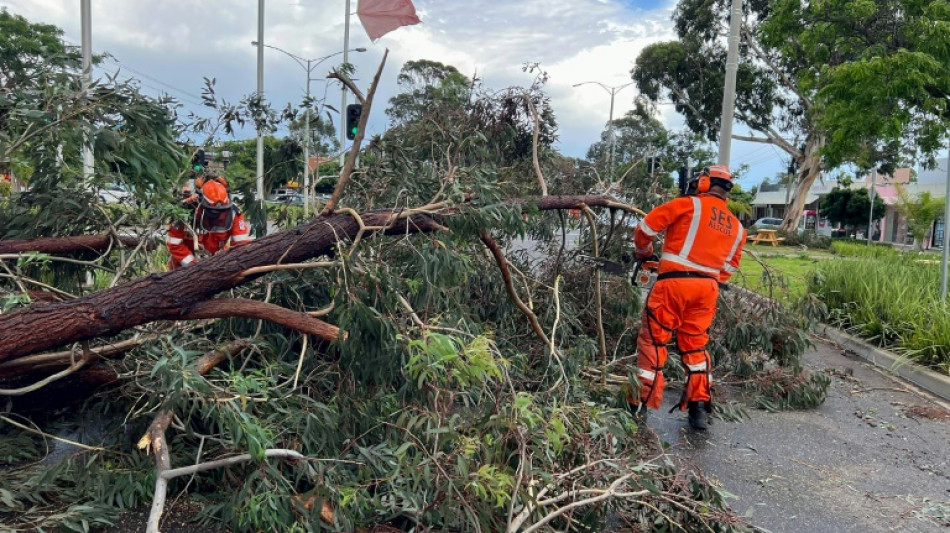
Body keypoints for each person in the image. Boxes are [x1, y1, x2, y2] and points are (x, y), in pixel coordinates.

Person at [626, 165, 745, 430]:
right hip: (707, 291)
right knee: (695, 345)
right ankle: (699, 409)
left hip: (673, 287)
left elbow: (644, 229)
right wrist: (702, 275)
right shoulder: (737, 227)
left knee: (654, 341)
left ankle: (638, 407)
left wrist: (645, 255)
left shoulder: (686, 205)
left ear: (702, 183)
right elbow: (729, 269)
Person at [166, 177, 252, 269]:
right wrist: (192, 266)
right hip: (183, 268)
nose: (219, 216)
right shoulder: (186, 211)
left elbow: (241, 245)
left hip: (215, 263)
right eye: (214, 212)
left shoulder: (234, 212)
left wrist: (233, 265)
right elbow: (174, 244)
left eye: (222, 211)